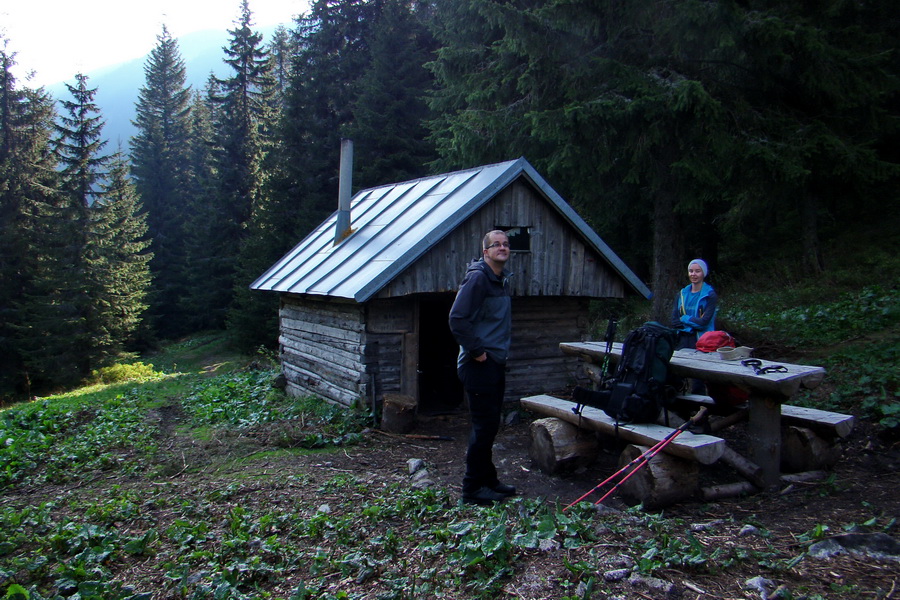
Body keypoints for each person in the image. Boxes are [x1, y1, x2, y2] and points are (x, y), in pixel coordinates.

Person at [448, 230, 517, 505]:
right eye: (496, 245)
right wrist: (477, 352)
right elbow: (457, 319)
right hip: (478, 365)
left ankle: (488, 481)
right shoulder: (478, 278)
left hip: (495, 362)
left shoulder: (499, 280)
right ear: (485, 252)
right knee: (482, 427)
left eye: (506, 244)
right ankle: (472, 489)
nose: (502, 248)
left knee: (490, 426)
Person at [671, 258, 718, 350]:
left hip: (703, 341)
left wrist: (684, 318)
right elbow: (675, 321)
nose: (693, 274)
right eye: (691, 271)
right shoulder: (681, 294)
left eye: (697, 271)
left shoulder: (710, 295)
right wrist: (694, 322)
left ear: (703, 273)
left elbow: (704, 323)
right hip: (682, 340)